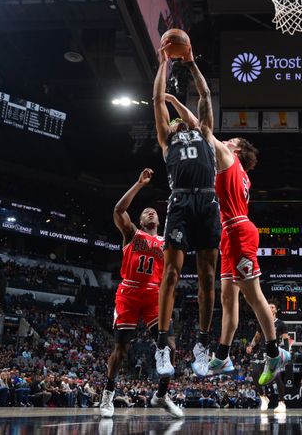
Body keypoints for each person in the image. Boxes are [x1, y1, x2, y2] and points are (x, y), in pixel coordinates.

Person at [164, 93, 291, 384]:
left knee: (252, 294)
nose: (226, 140)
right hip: (228, 234)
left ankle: (274, 353)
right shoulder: (239, 173)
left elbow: (200, 127)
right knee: (227, 298)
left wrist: (173, 102)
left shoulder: (228, 158)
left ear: (236, 149)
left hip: (239, 231)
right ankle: (222, 356)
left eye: (230, 140)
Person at [152, 42, 222, 382]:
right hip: (179, 201)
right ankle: (163, 345)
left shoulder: (205, 134)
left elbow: (206, 95)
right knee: (172, 274)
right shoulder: (167, 138)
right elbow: (156, 101)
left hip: (208, 202)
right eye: (177, 118)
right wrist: (163, 64)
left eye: (183, 117)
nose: (180, 120)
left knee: (209, 278)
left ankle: (203, 345)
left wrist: (192, 63)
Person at [99, 168, 182, 419]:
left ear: (159, 219)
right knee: (121, 351)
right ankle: (108, 393)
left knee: (170, 346)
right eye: (146, 211)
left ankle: (162, 395)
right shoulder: (132, 233)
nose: (150, 212)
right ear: (141, 219)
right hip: (129, 292)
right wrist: (138, 184)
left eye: (154, 211)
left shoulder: (167, 241)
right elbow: (118, 210)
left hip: (154, 295)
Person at [245, 302, 292, 412]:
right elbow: (257, 337)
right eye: (268, 307)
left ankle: (281, 403)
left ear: (276, 310)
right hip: (261, 352)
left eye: (272, 307)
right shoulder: (262, 322)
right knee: (255, 372)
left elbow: (285, 338)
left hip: (273, 353)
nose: (270, 308)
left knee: (276, 377)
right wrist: (251, 346)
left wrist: (286, 352)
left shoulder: (281, 324)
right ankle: (263, 397)